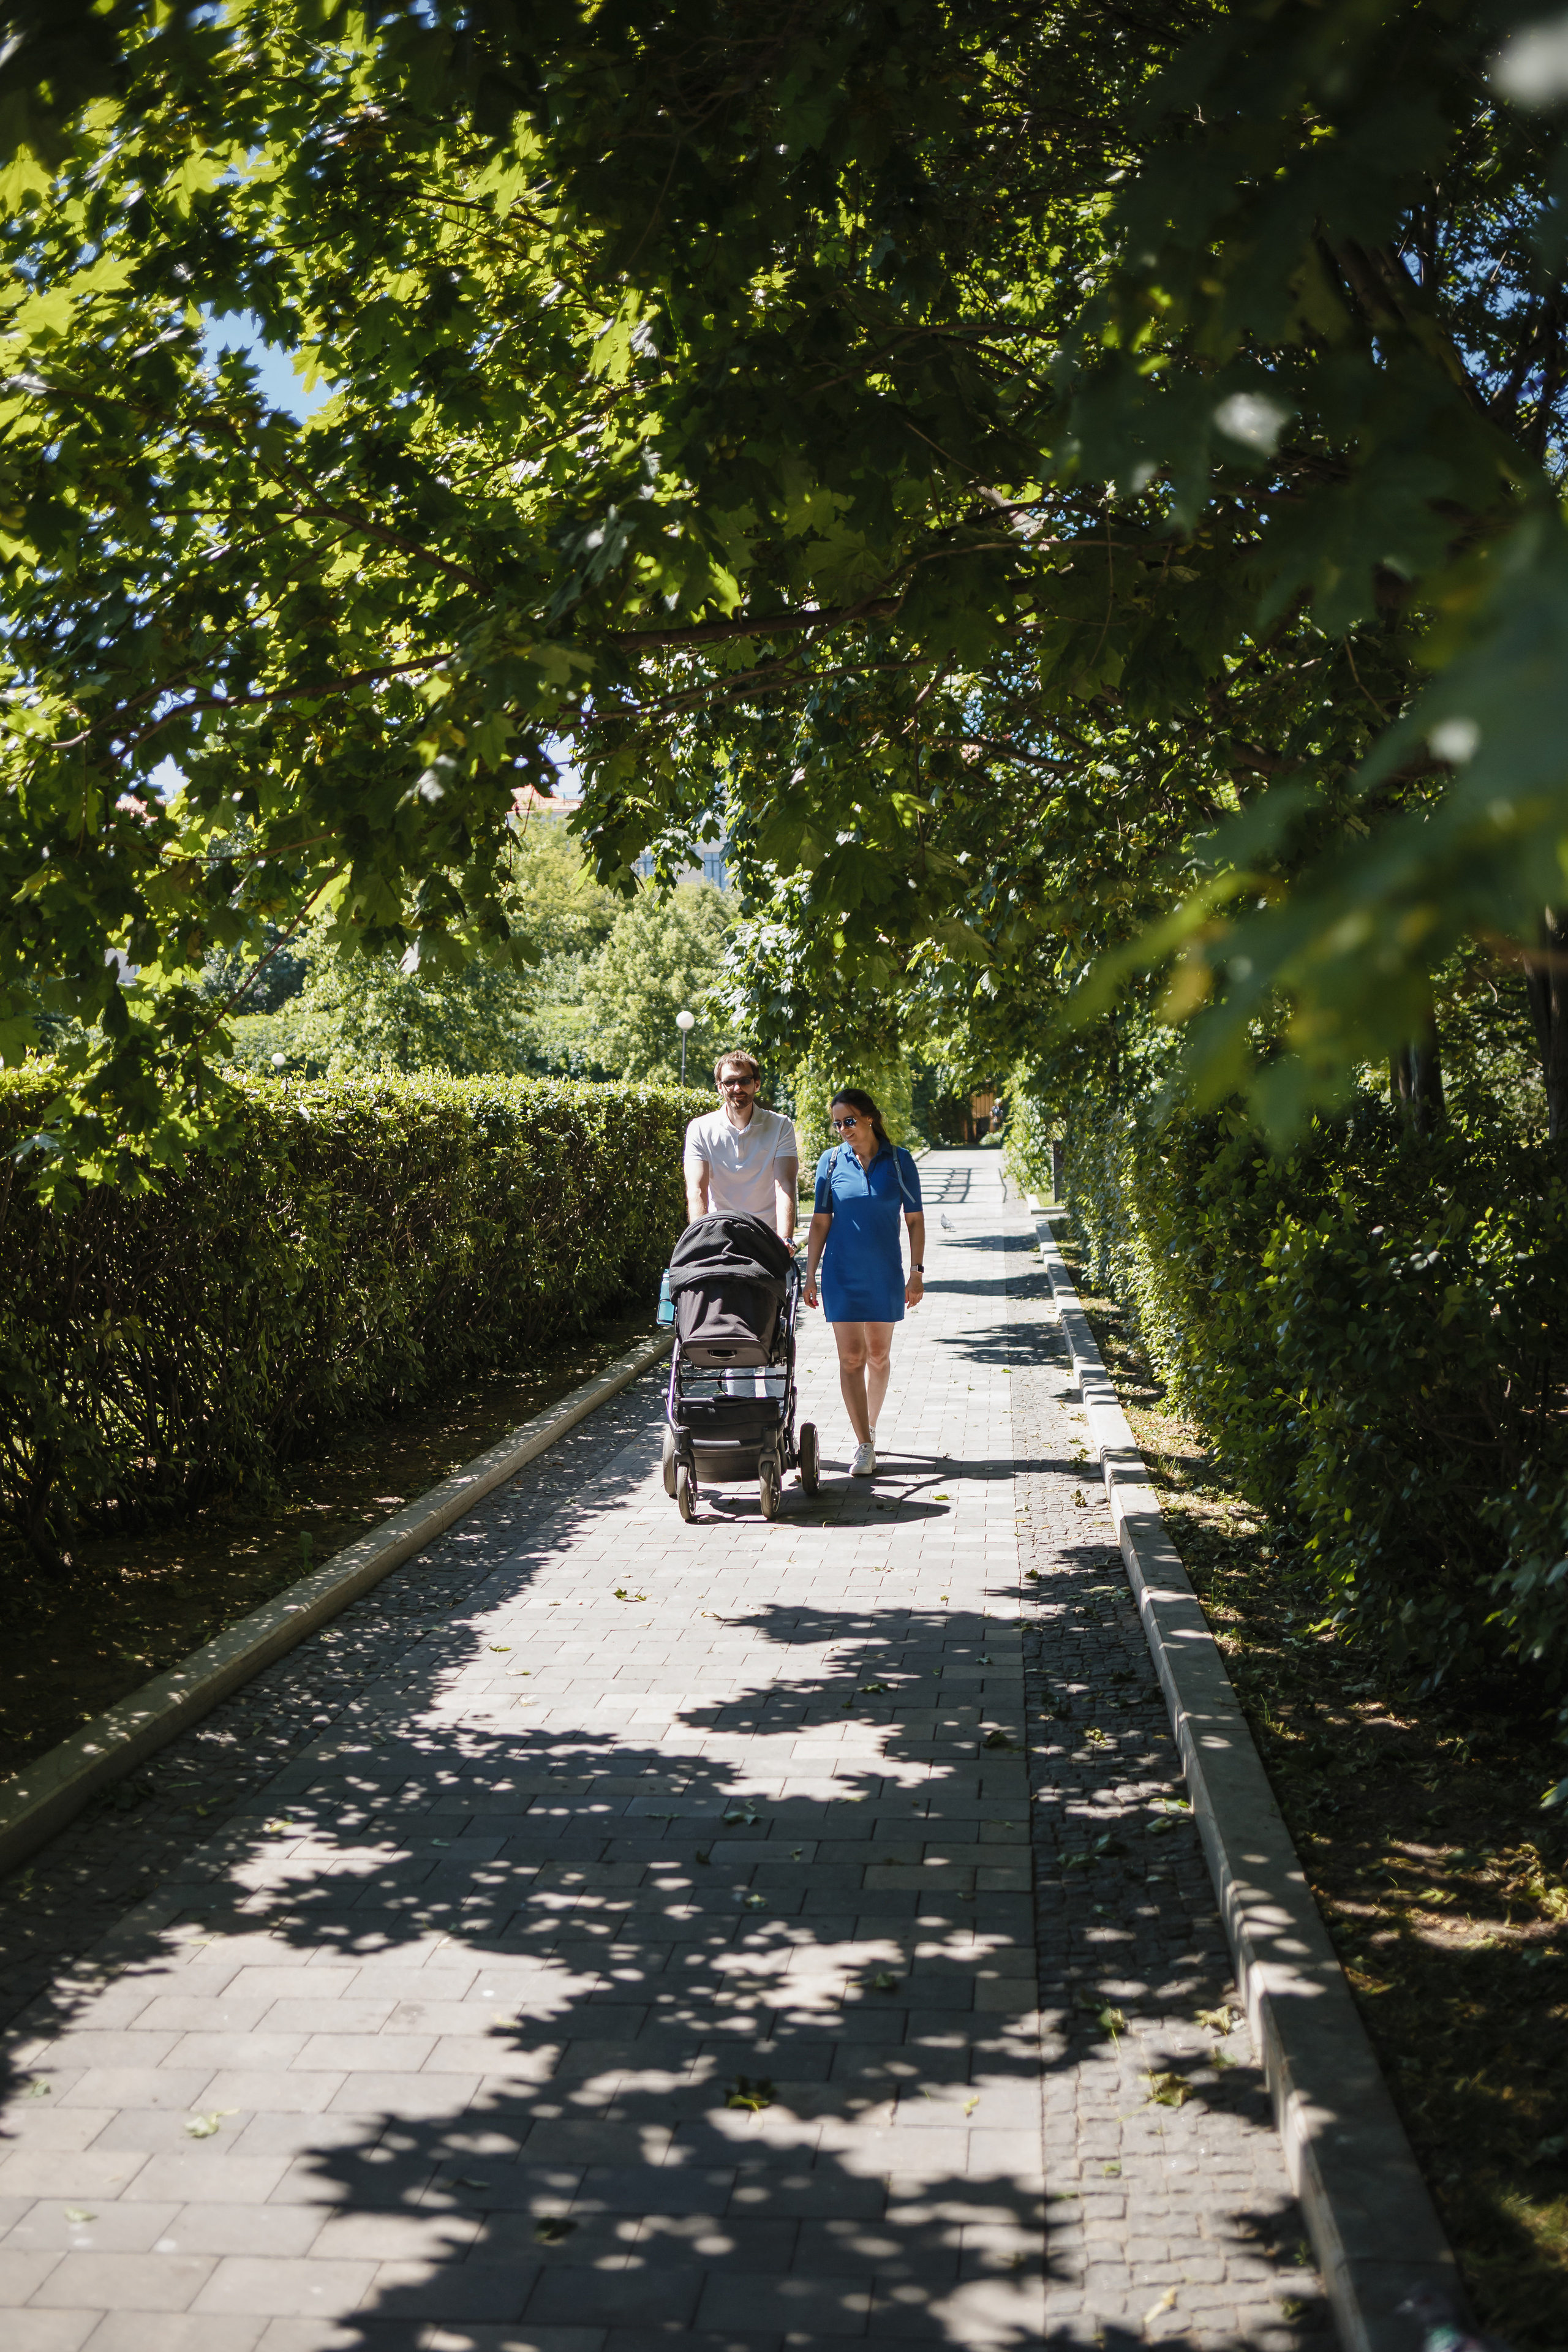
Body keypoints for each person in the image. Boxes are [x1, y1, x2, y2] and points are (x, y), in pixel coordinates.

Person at [802, 1088, 924, 1477]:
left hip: (885, 1273)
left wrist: (917, 1272)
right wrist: (810, 1274)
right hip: (841, 1273)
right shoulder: (831, 1161)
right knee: (851, 1358)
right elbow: (820, 1220)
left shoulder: (900, 1161)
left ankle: (870, 1425)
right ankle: (864, 1444)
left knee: (878, 1355)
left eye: (849, 1121)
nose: (843, 1130)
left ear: (870, 1117)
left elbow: (915, 1220)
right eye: (837, 1124)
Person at [683, 1049, 799, 1245]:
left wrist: (785, 1239)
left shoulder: (781, 1126)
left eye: (745, 1081)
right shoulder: (700, 1128)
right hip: (719, 1236)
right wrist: (700, 1242)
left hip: (767, 1236)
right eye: (729, 1082)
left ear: (757, 1084)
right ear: (720, 1087)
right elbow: (697, 1191)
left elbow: (784, 1186)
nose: (737, 1088)